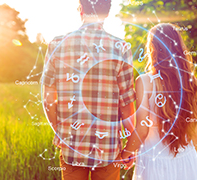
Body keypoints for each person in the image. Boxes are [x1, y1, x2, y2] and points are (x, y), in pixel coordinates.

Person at [40, 0, 136, 179]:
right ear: (107, 13)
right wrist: (131, 146)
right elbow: (126, 103)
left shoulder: (57, 44)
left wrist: (59, 131)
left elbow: (48, 99)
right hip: (108, 150)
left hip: (71, 146)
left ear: (81, 9)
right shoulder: (121, 48)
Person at [118, 23, 197, 180]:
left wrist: (126, 153)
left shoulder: (145, 82)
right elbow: (195, 129)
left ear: (153, 48)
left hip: (154, 162)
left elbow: (142, 129)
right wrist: (188, 161)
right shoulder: (193, 84)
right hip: (187, 159)